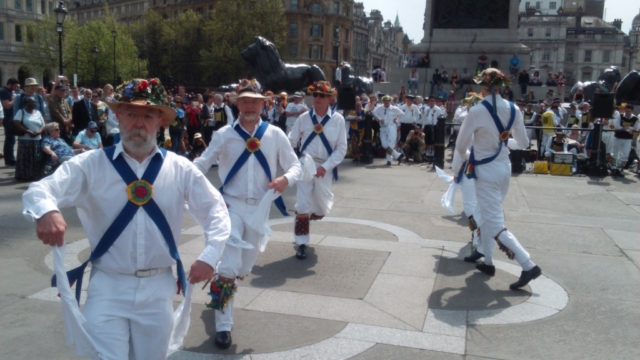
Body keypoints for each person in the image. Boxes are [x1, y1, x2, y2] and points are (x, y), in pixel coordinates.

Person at [23, 78, 231, 360]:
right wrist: (47, 210)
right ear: (118, 117)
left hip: (158, 288)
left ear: (159, 122)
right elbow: (40, 189)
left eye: (147, 115)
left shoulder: (180, 168)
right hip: (108, 286)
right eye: (131, 114)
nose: (139, 122)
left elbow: (216, 210)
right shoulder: (91, 164)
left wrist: (209, 256)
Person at [193, 79, 301, 350]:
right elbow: (202, 164)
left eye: (255, 101)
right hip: (230, 205)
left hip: (260, 207)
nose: (250, 105)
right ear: (237, 103)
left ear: (263, 104)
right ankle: (223, 327)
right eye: (244, 101)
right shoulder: (224, 134)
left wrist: (286, 179)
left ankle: (223, 281)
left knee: (243, 267)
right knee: (229, 267)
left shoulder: (275, 134)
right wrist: (175, 178)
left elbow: (295, 165)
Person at [457, 68, 541, 290]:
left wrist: (471, 158)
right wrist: (501, 143)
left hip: (484, 171)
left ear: (482, 87)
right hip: (505, 168)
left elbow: (460, 147)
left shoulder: (476, 111)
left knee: (493, 222)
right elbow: (523, 144)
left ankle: (528, 264)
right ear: (503, 85)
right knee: (484, 215)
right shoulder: (514, 109)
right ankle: (488, 261)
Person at [289, 81, 347, 259]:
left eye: (322, 95)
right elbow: (290, 141)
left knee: (322, 206)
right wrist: (291, 161)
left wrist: (326, 166)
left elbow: (341, 148)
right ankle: (301, 242)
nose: (317, 98)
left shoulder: (338, 119)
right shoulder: (304, 118)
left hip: (325, 166)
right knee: (303, 203)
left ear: (330, 98)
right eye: (315, 95)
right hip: (305, 164)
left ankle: (311, 215)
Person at [13, 96, 45, 181]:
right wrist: (27, 131)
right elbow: (16, 123)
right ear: (26, 103)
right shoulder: (21, 112)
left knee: (35, 158)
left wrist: (39, 131)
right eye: (31, 102)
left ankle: (35, 175)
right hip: (25, 139)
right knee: (25, 158)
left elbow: (43, 125)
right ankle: (24, 176)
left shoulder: (38, 112)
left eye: (34, 102)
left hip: (37, 139)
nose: (33, 103)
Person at [372, 95, 404, 165]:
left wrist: (397, 120)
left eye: (388, 101)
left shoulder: (394, 108)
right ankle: (397, 155)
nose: (386, 102)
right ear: (383, 101)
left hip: (391, 126)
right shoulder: (380, 108)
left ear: (390, 101)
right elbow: (373, 112)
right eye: (385, 101)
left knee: (390, 143)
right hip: (383, 127)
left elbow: (402, 114)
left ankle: (389, 160)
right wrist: (380, 118)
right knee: (384, 144)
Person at [1, 78, 21, 166]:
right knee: (10, 139)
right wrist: (15, 99)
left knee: (11, 140)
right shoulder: (4, 91)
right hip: (7, 117)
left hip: (11, 117)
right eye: (14, 86)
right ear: (9, 84)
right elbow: (7, 105)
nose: (15, 88)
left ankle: (10, 159)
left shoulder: (9, 91)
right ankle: (10, 160)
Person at [613, 104, 639, 169]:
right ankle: (613, 167)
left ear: (632, 111)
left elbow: (636, 128)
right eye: (626, 111)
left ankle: (620, 168)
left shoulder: (635, 118)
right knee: (615, 153)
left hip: (628, 139)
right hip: (618, 137)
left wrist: (629, 129)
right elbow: (616, 126)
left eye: (629, 111)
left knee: (625, 154)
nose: (627, 112)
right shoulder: (620, 116)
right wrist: (624, 129)